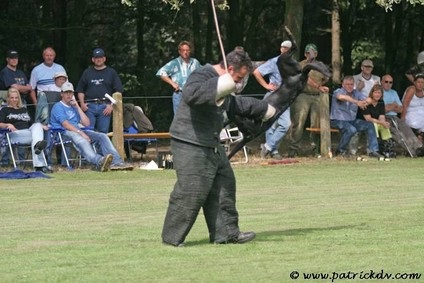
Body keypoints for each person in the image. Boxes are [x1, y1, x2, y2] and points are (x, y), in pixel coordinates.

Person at [161, 49, 276, 247]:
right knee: (191, 191)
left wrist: (265, 109)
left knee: (224, 184)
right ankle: (172, 239)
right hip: (190, 142)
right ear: (230, 69)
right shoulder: (202, 75)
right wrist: (222, 84)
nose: (240, 83)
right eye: (239, 77)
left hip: (210, 143)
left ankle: (227, 234)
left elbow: (233, 105)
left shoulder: (224, 87)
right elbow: (191, 95)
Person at [50, 82, 133, 171]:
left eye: (70, 92)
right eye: (66, 92)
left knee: (102, 136)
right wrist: (81, 133)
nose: (68, 95)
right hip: (63, 133)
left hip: (78, 130)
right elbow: (65, 124)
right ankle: (99, 161)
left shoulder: (74, 107)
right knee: (81, 140)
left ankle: (117, 162)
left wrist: (77, 107)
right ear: (61, 94)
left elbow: (87, 123)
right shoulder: (58, 107)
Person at [286, 43, 330, 157]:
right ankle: (293, 149)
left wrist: (321, 86)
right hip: (302, 95)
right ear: (305, 54)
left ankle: (315, 149)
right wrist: (319, 86)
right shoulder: (300, 65)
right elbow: (305, 79)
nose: (311, 54)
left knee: (316, 123)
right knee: (299, 121)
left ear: (316, 53)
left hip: (317, 96)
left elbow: (327, 77)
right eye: (309, 52)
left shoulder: (320, 65)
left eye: (314, 52)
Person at [253, 40, 292, 159]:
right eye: (282, 47)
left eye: (286, 48)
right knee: (270, 124)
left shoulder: (292, 64)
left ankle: (268, 146)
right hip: (273, 96)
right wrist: (266, 85)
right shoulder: (274, 62)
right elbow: (257, 72)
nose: (284, 50)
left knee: (286, 124)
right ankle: (273, 151)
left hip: (285, 97)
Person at [330, 76, 382, 158]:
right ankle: (340, 150)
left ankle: (373, 151)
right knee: (351, 129)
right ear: (343, 85)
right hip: (337, 120)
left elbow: (368, 100)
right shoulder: (338, 91)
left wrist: (365, 102)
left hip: (352, 120)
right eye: (347, 84)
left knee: (370, 125)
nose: (349, 86)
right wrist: (357, 102)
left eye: (351, 84)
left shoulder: (356, 92)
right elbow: (343, 97)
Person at [0, 88, 50, 172]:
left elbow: (31, 123)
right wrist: (7, 124)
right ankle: (40, 165)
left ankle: (38, 156)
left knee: (37, 125)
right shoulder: (4, 110)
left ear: (18, 98)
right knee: (38, 139)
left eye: (16, 97)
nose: (14, 100)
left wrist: (40, 125)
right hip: (15, 134)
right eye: (12, 98)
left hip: (28, 132)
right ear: (8, 98)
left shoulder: (23, 109)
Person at [76, 48, 123, 133]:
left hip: (105, 107)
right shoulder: (87, 72)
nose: (98, 59)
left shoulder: (111, 72)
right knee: (89, 132)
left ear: (104, 59)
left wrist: (111, 106)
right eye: (96, 57)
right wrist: (82, 104)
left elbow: (118, 91)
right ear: (93, 59)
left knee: (103, 132)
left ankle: (101, 147)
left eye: (100, 57)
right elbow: (80, 90)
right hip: (89, 107)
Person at [382, 74, 423, 157]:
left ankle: (419, 148)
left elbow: (401, 109)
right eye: (386, 82)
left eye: (390, 82)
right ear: (381, 82)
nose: (388, 84)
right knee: (398, 134)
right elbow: (381, 109)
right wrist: (393, 106)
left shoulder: (393, 92)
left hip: (395, 116)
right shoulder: (378, 92)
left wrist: (390, 107)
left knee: (407, 130)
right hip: (383, 118)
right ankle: (412, 151)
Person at [156, 41, 201, 115]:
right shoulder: (174, 63)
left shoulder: (195, 62)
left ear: (190, 51)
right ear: (179, 51)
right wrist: (172, 83)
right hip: (179, 93)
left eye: (187, 50)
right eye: (183, 50)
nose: (185, 52)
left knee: (194, 117)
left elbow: (203, 74)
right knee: (179, 118)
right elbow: (161, 72)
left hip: (193, 94)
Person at [358, 84, 394, 158]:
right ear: (372, 93)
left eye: (379, 93)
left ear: (381, 94)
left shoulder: (381, 102)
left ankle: (386, 149)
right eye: (375, 92)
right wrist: (381, 122)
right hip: (364, 122)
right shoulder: (366, 102)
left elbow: (381, 116)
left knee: (385, 126)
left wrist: (384, 123)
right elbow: (368, 118)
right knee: (374, 126)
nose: (377, 94)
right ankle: (374, 150)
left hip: (376, 121)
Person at [401, 73, 424, 142]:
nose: (420, 84)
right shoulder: (411, 90)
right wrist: (402, 120)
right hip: (411, 115)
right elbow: (405, 105)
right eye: (418, 82)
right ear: (414, 82)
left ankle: (420, 136)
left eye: (422, 82)